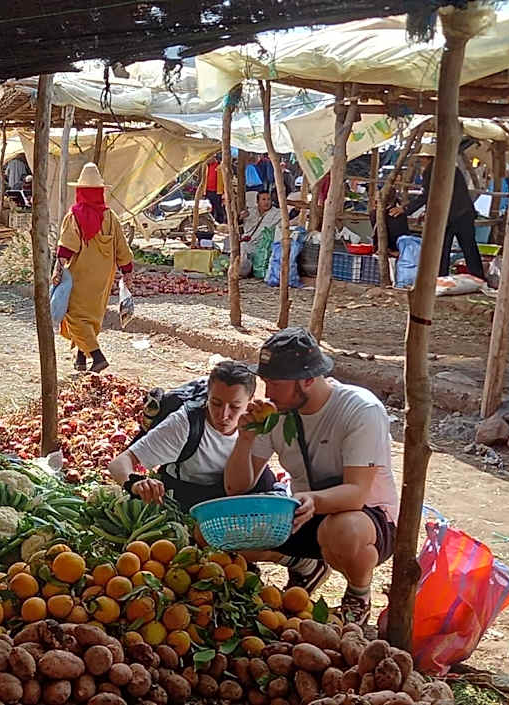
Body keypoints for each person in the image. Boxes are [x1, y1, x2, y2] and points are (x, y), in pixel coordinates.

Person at [224, 328, 399, 625]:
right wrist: (245, 439)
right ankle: (305, 564)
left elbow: (356, 493)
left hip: (365, 517)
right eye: (265, 382)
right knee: (228, 534)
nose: (268, 394)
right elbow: (236, 487)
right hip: (304, 510)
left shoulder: (360, 409)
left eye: (275, 384)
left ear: (307, 380)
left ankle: (358, 594)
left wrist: (313, 500)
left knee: (340, 530)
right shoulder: (276, 414)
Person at [108, 361, 277, 512]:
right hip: (189, 502)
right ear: (207, 396)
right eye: (216, 403)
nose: (223, 415)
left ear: (249, 401)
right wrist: (135, 483)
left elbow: (238, 487)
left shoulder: (257, 423)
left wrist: (246, 438)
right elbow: (119, 462)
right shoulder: (184, 425)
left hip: (231, 501)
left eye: (234, 406)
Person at [51, 162, 134, 373]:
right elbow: (122, 248)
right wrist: (127, 271)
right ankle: (81, 358)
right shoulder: (111, 217)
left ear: (80, 191)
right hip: (104, 277)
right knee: (92, 316)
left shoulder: (75, 216)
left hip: (81, 275)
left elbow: (67, 248)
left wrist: (57, 269)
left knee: (75, 316)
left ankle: (97, 357)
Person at [391, 143, 484, 280]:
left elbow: (426, 195)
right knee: (469, 248)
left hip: (447, 216)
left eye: (423, 158)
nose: (421, 161)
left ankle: (440, 278)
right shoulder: (453, 169)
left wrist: (405, 209)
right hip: (464, 213)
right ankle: (478, 277)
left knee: (442, 249)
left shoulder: (431, 171)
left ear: (429, 158)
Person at [238, 190, 283, 277]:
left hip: (263, 244)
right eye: (263, 199)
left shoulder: (277, 213)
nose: (267, 202)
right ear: (257, 202)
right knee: (242, 247)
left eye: (269, 199)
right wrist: (240, 218)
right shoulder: (250, 212)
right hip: (248, 242)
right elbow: (237, 223)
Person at [204, 155, 226, 224]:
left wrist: (224, 193)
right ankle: (211, 223)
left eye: (209, 158)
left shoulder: (220, 167)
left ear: (213, 158)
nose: (208, 160)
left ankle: (221, 223)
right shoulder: (206, 167)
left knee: (219, 208)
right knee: (210, 208)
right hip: (208, 191)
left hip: (217, 192)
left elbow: (224, 181)